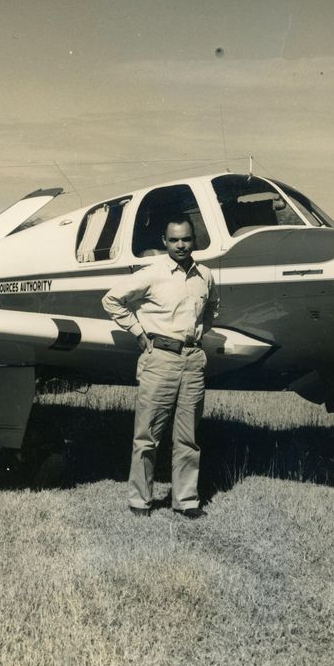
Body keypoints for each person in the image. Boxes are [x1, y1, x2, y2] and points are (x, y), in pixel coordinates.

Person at [101, 215, 218, 519]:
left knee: (188, 436)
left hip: (192, 361)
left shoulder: (205, 275)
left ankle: (186, 500)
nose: (181, 245)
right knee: (147, 436)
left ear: (195, 241)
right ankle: (140, 501)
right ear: (165, 243)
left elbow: (211, 310)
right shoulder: (151, 274)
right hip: (159, 360)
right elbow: (112, 300)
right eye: (175, 240)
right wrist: (140, 333)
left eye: (187, 239)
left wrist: (196, 337)